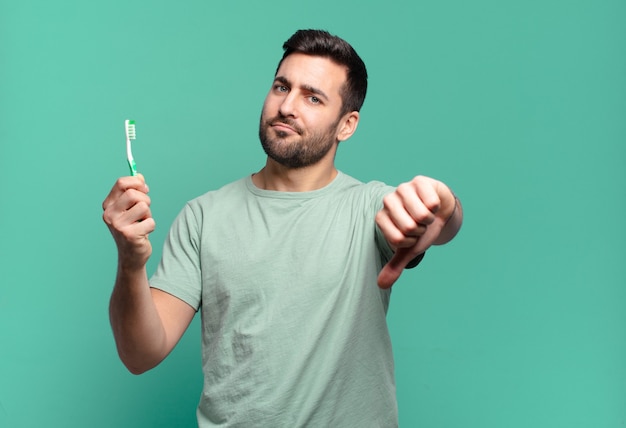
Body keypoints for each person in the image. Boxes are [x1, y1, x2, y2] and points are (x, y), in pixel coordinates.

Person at [102, 29, 463, 427]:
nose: (287, 106)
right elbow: (139, 354)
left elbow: (435, 222)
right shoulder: (203, 216)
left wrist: (444, 207)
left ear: (347, 125)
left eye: (313, 97)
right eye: (281, 87)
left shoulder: (371, 208)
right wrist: (130, 260)